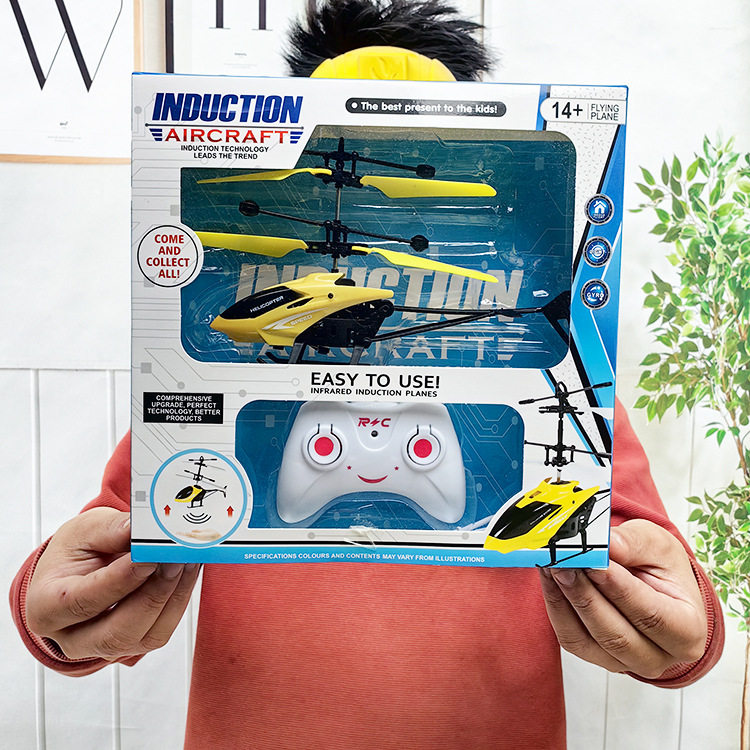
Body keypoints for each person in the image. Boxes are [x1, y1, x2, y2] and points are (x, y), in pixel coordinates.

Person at [10, 2, 723, 748]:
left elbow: (656, 571)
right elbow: (110, 543)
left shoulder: (550, 378)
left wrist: (686, 636)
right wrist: (50, 614)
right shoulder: (216, 371)